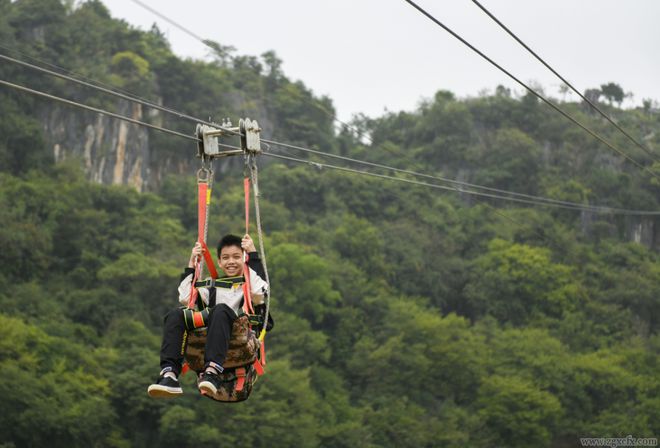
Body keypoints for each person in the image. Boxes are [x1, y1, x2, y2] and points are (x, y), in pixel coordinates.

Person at [147, 234, 269, 398]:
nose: (231, 261)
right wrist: (192, 263)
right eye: (225, 258)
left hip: (240, 336)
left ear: (244, 259)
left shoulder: (249, 287)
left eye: (236, 257)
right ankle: (169, 374)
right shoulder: (212, 289)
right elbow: (185, 297)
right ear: (219, 262)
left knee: (220, 310)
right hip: (212, 335)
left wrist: (252, 254)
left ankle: (212, 371)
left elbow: (260, 292)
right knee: (176, 315)